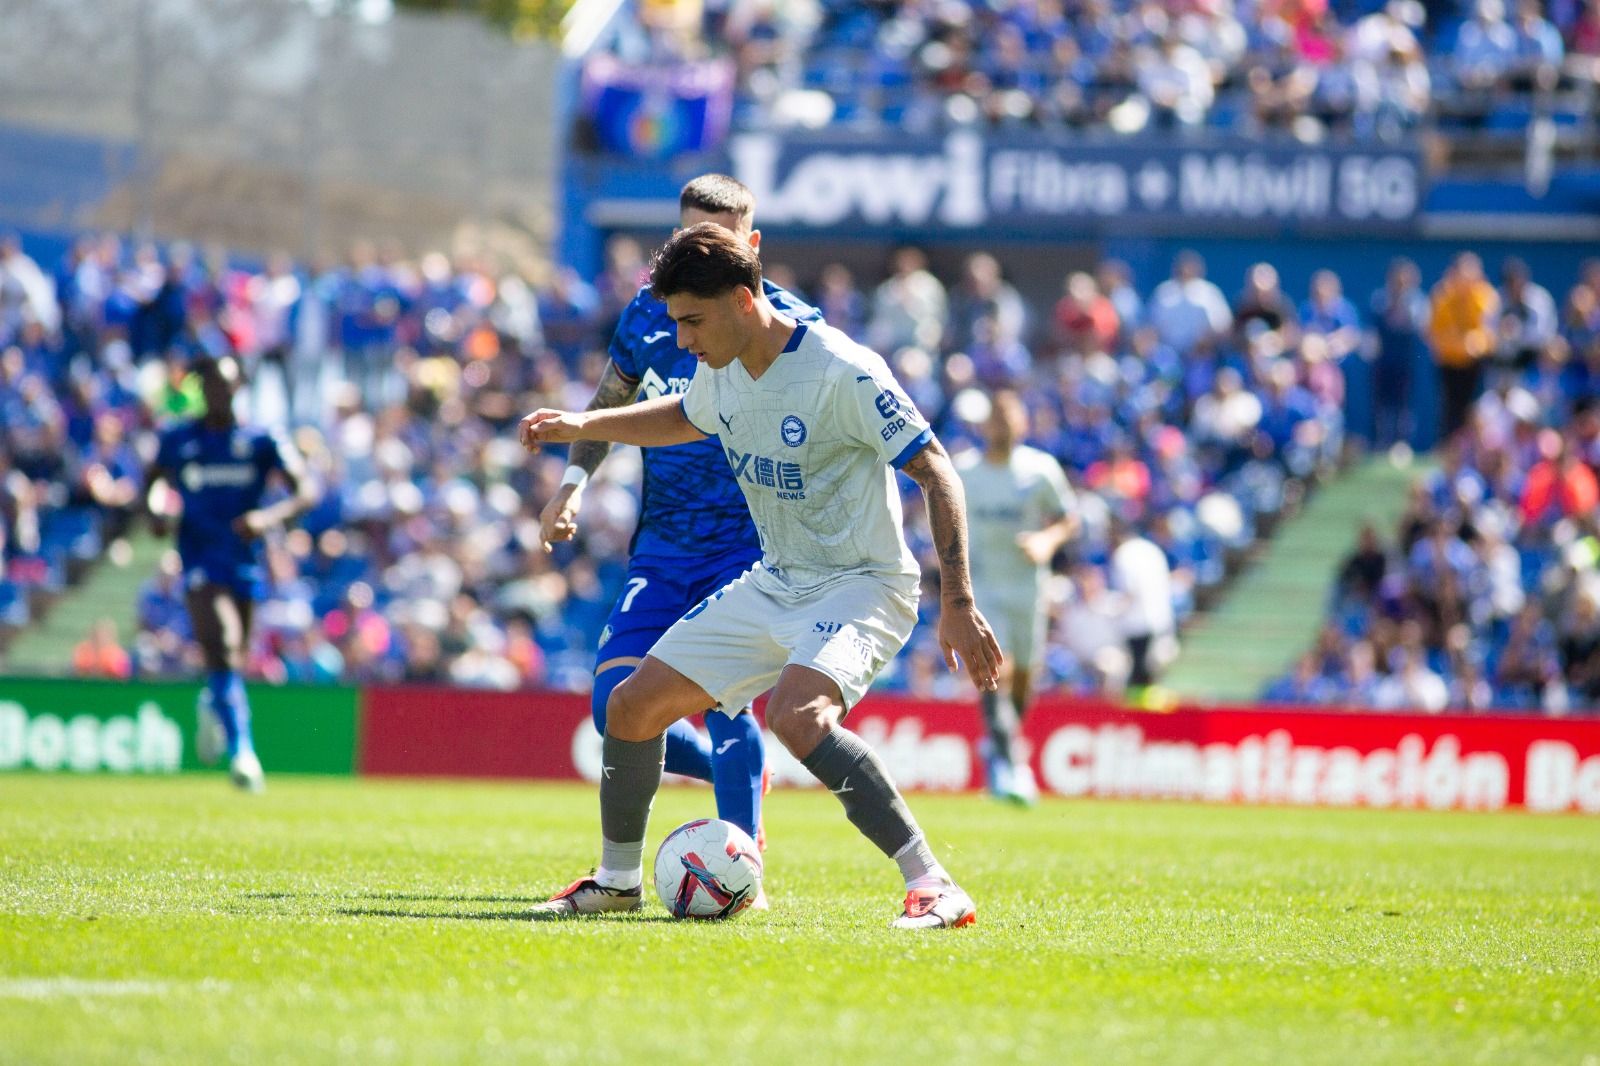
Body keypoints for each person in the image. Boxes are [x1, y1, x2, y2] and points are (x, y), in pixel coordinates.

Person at [519, 224, 1001, 929]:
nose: (682, 341)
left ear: (744, 301)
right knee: (629, 708)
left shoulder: (842, 369)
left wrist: (957, 599)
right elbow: (685, 416)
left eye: (692, 320)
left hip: (863, 582)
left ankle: (933, 884)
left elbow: (937, 471)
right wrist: (582, 425)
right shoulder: (721, 370)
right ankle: (618, 882)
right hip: (778, 581)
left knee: (797, 717)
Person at [538, 175, 820, 858]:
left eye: (716, 242)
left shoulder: (793, 329)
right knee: (614, 705)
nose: (699, 254)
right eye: (688, 239)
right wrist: (573, 481)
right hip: (662, 544)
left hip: (749, 548)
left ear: (749, 247)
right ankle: (735, 769)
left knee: (728, 706)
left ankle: (741, 858)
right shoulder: (646, 313)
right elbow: (612, 398)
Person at [144, 356, 318, 791]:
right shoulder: (179, 438)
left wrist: (268, 518)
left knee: (233, 658)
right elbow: (153, 482)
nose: (219, 393)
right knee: (221, 644)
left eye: (226, 385)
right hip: (199, 559)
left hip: (244, 562)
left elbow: (306, 491)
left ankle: (213, 703)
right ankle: (243, 753)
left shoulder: (261, 439)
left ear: (239, 386)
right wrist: (155, 510)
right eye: (211, 386)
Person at [955, 390, 1076, 805]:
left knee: (1024, 678)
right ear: (985, 425)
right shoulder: (966, 472)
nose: (1003, 426)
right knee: (995, 671)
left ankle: (998, 746)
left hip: (1028, 588)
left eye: (1011, 418)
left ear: (1023, 423)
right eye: (996, 418)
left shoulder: (1039, 470)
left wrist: (1046, 540)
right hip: (985, 586)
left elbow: (1068, 518)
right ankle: (1012, 764)